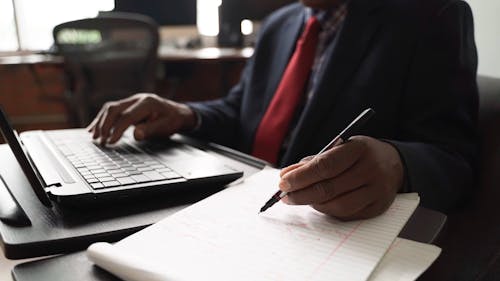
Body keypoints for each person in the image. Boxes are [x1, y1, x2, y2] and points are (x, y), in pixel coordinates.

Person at [88, 0, 478, 220]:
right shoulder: (280, 24)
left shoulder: (432, 14)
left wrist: (397, 162)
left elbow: (453, 156)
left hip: (318, 228)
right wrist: (185, 114)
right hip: (233, 208)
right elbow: (242, 110)